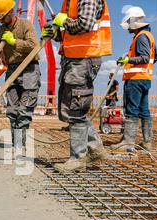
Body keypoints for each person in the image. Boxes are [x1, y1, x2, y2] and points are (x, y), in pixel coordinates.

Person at [42, 0, 112, 173]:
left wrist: (63, 21)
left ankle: (78, 158)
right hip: (74, 59)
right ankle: (95, 148)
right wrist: (55, 32)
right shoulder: (69, 2)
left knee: (76, 108)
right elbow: (68, 33)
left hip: (84, 58)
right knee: (72, 108)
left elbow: (85, 24)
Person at [0, 0, 41, 149]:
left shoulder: (26, 25)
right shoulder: (0, 30)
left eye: (3, 18)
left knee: (24, 111)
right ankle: (16, 144)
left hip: (29, 68)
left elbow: (34, 46)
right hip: (12, 69)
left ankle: (19, 146)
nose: (1, 21)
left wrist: (14, 41)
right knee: (12, 110)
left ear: (11, 12)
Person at [111, 6, 157, 151]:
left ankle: (128, 143)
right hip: (144, 79)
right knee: (143, 110)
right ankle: (146, 142)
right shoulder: (148, 36)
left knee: (131, 110)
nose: (127, 28)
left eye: (128, 23)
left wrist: (129, 60)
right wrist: (141, 67)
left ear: (134, 22)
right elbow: (155, 56)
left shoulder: (141, 37)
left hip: (135, 80)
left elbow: (145, 57)